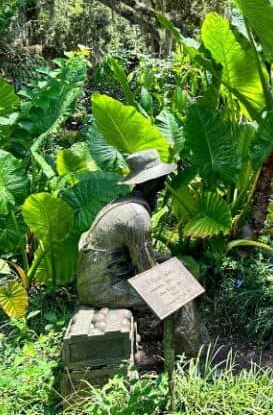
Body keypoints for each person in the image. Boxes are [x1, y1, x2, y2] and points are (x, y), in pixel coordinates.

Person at [77, 149, 208, 357]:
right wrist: (175, 281)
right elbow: (148, 271)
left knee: (176, 267)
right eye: (160, 180)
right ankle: (194, 359)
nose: (164, 184)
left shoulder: (124, 203)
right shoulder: (137, 216)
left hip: (100, 278)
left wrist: (171, 262)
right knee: (181, 297)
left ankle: (180, 339)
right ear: (151, 181)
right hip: (102, 287)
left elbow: (138, 254)